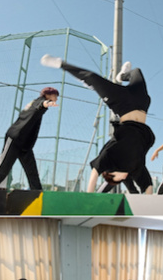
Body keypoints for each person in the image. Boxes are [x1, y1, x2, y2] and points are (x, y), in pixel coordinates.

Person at [41, 54, 155, 193]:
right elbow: (148, 186)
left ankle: (61, 64)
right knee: (137, 72)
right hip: (141, 102)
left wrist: (89, 196)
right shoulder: (137, 164)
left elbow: (95, 171)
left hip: (122, 103)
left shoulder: (111, 151)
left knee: (92, 78)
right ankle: (123, 75)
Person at [0, 88, 59, 190]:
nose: (57, 98)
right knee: (4, 165)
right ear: (48, 95)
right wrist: (47, 104)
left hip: (26, 144)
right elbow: (41, 104)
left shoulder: (34, 103)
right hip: (16, 138)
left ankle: (37, 193)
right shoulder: (38, 102)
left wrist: (45, 104)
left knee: (32, 171)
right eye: (55, 95)